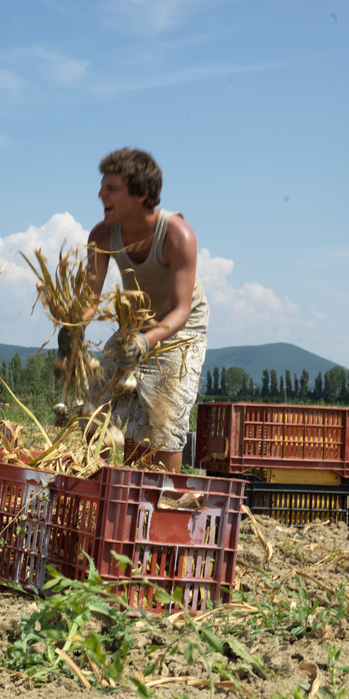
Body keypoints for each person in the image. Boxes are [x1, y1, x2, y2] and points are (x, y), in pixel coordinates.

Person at [78, 148, 208, 471]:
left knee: (161, 419)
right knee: (93, 405)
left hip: (181, 329)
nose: (100, 194)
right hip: (135, 325)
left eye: (112, 189)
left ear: (142, 195)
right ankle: (99, 486)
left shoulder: (177, 236)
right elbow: (88, 302)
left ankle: (168, 503)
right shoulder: (103, 234)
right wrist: (71, 331)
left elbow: (180, 310)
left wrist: (145, 343)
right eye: (102, 186)